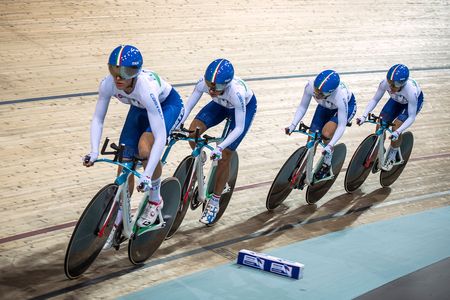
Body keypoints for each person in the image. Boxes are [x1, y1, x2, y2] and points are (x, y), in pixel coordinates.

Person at [83, 45, 184, 248]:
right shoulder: (108, 84)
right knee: (125, 158)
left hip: (167, 106)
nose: (118, 77)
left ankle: (156, 200)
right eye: (114, 70)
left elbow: (160, 136)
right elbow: (98, 119)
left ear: (136, 72)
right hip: (139, 108)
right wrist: (94, 151)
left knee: (145, 147)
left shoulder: (145, 89)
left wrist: (146, 175)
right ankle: (120, 216)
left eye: (125, 72)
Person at [179, 58, 257, 225]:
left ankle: (214, 201)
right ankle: (201, 157)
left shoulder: (236, 93)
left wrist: (220, 147)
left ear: (227, 84)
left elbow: (239, 128)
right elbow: (188, 106)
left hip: (243, 108)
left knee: (225, 155)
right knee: (193, 132)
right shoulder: (204, 84)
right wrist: (178, 124)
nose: (212, 90)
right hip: (220, 105)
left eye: (217, 87)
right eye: (210, 86)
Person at [286, 70, 357, 180]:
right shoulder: (311, 86)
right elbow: (302, 106)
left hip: (344, 108)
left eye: (320, 93)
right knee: (311, 138)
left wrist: (330, 145)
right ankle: (305, 169)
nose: (316, 94)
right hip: (325, 106)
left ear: (330, 92)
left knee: (326, 133)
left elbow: (342, 125)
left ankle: (327, 164)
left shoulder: (340, 96)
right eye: (316, 90)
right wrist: (293, 125)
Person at [356, 64, 423, 170]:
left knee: (395, 126)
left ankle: (393, 153)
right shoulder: (385, 83)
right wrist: (364, 116)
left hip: (411, 103)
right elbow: (375, 99)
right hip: (396, 100)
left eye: (394, 85)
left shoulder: (411, 91)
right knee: (380, 123)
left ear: (402, 83)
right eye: (389, 83)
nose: (390, 87)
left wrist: (397, 132)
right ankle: (380, 148)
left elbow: (411, 117)